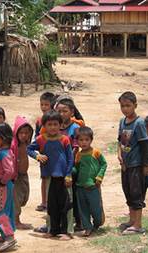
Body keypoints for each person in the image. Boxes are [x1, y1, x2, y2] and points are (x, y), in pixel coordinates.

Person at [28, 110, 74, 241]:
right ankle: (52, 230)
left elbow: (70, 158)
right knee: (51, 205)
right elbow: (29, 149)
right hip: (49, 176)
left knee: (66, 204)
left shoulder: (64, 139)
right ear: (44, 126)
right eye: (49, 124)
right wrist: (37, 155)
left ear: (60, 125)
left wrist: (68, 174)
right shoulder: (41, 139)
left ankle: (67, 231)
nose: (52, 127)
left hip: (64, 177)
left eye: (55, 124)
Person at [117, 91, 148, 235]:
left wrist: (146, 165)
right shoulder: (122, 122)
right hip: (125, 165)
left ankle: (138, 224)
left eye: (128, 106)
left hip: (136, 164)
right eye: (122, 106)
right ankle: (131, 220)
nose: (125, 109)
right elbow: (120, 141)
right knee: (128, 191)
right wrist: (119, 155)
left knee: (137, 193)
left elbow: (144, 146)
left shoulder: (139, 123)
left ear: (135, 105)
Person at [73, 127, 106, 237]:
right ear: (77, 141)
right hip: (80, 187)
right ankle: (87, 227)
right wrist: (69, 172)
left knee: (96, 208)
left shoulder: (95, 152)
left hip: (93, 187)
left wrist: (99, 176)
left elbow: (104, 164)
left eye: (86, 140)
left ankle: (97, 223)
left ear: (91, 140)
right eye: (81, 140)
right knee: (83, 209)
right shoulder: (78, 155)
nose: (84, 142)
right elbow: (76, 169)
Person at [55, 98, 83, 230]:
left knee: (74, 195)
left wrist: (66, 163)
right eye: (58, 111)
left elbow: (75, 148)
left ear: (72, 112)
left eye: (64, 111)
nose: (61, 114)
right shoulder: (55, 126)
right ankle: (60, 222)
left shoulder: (76, 128)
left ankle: (79, 221)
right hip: (57, 167)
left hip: (72, 167)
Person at [0, 123, 17, 252]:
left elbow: (9, 171)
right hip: (5, 185)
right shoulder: (4, 151)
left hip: (2, 186)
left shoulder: (3, 153)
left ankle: (9, 236)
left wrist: (2, 182)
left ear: (3, 137)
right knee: (6, 210)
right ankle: (5, 233)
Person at [11, 116, 34, 229]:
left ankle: (13, 217)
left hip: (24, 174)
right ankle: (16, 221)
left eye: (27, 133)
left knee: (24, 197)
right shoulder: (13, 145)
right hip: (16, 176)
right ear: (16, 132)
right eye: (21, 133)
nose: (24, 135)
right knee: (16, 198)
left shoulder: (26, 144)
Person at [35, 92, 55, 212]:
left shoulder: (55, 119)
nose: (43, 107)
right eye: (41, 104)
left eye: (46, 105)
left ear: (52, 105)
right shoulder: (39, 121)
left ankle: (51, 201)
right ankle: (44, 202)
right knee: (44, 177)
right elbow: (37, 136)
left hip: (55, 153)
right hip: (44, 154)